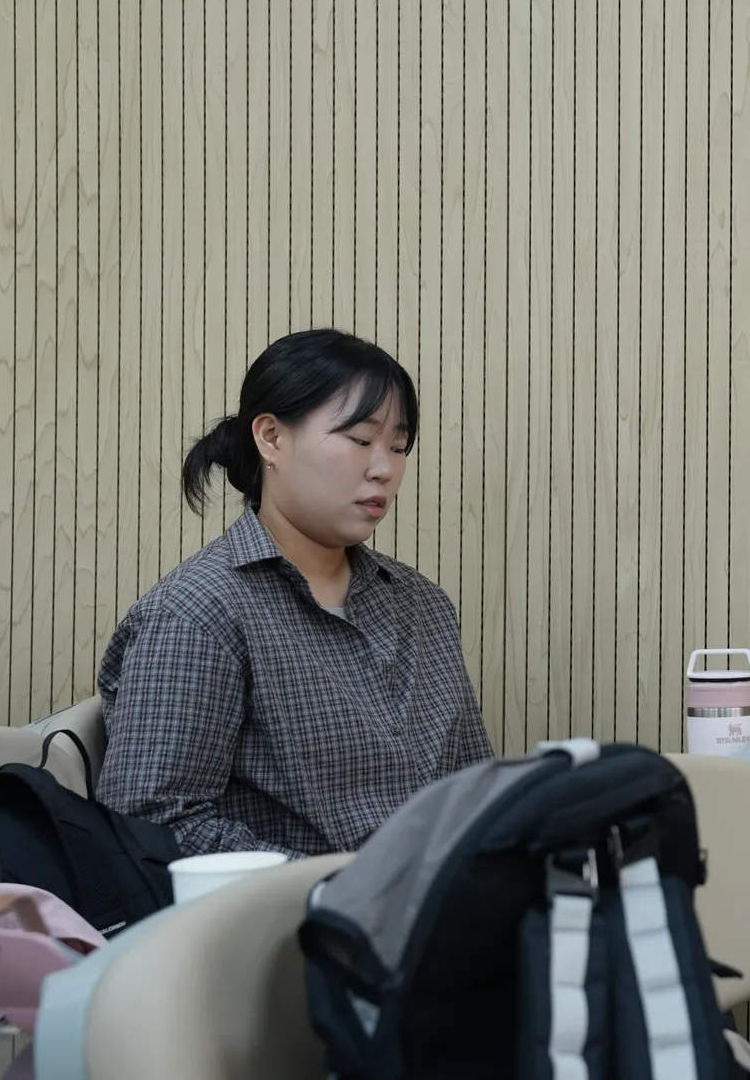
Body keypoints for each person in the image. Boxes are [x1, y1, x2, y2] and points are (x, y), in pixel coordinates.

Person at [96, 329, 494, 857]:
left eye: (398, 447)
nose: (384, 469)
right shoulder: (199, 613)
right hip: (305, 906)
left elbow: (476, 790)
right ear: (271, 438)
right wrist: (337, 886)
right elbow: (150, 825)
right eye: (360, 440)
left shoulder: (422, 605)